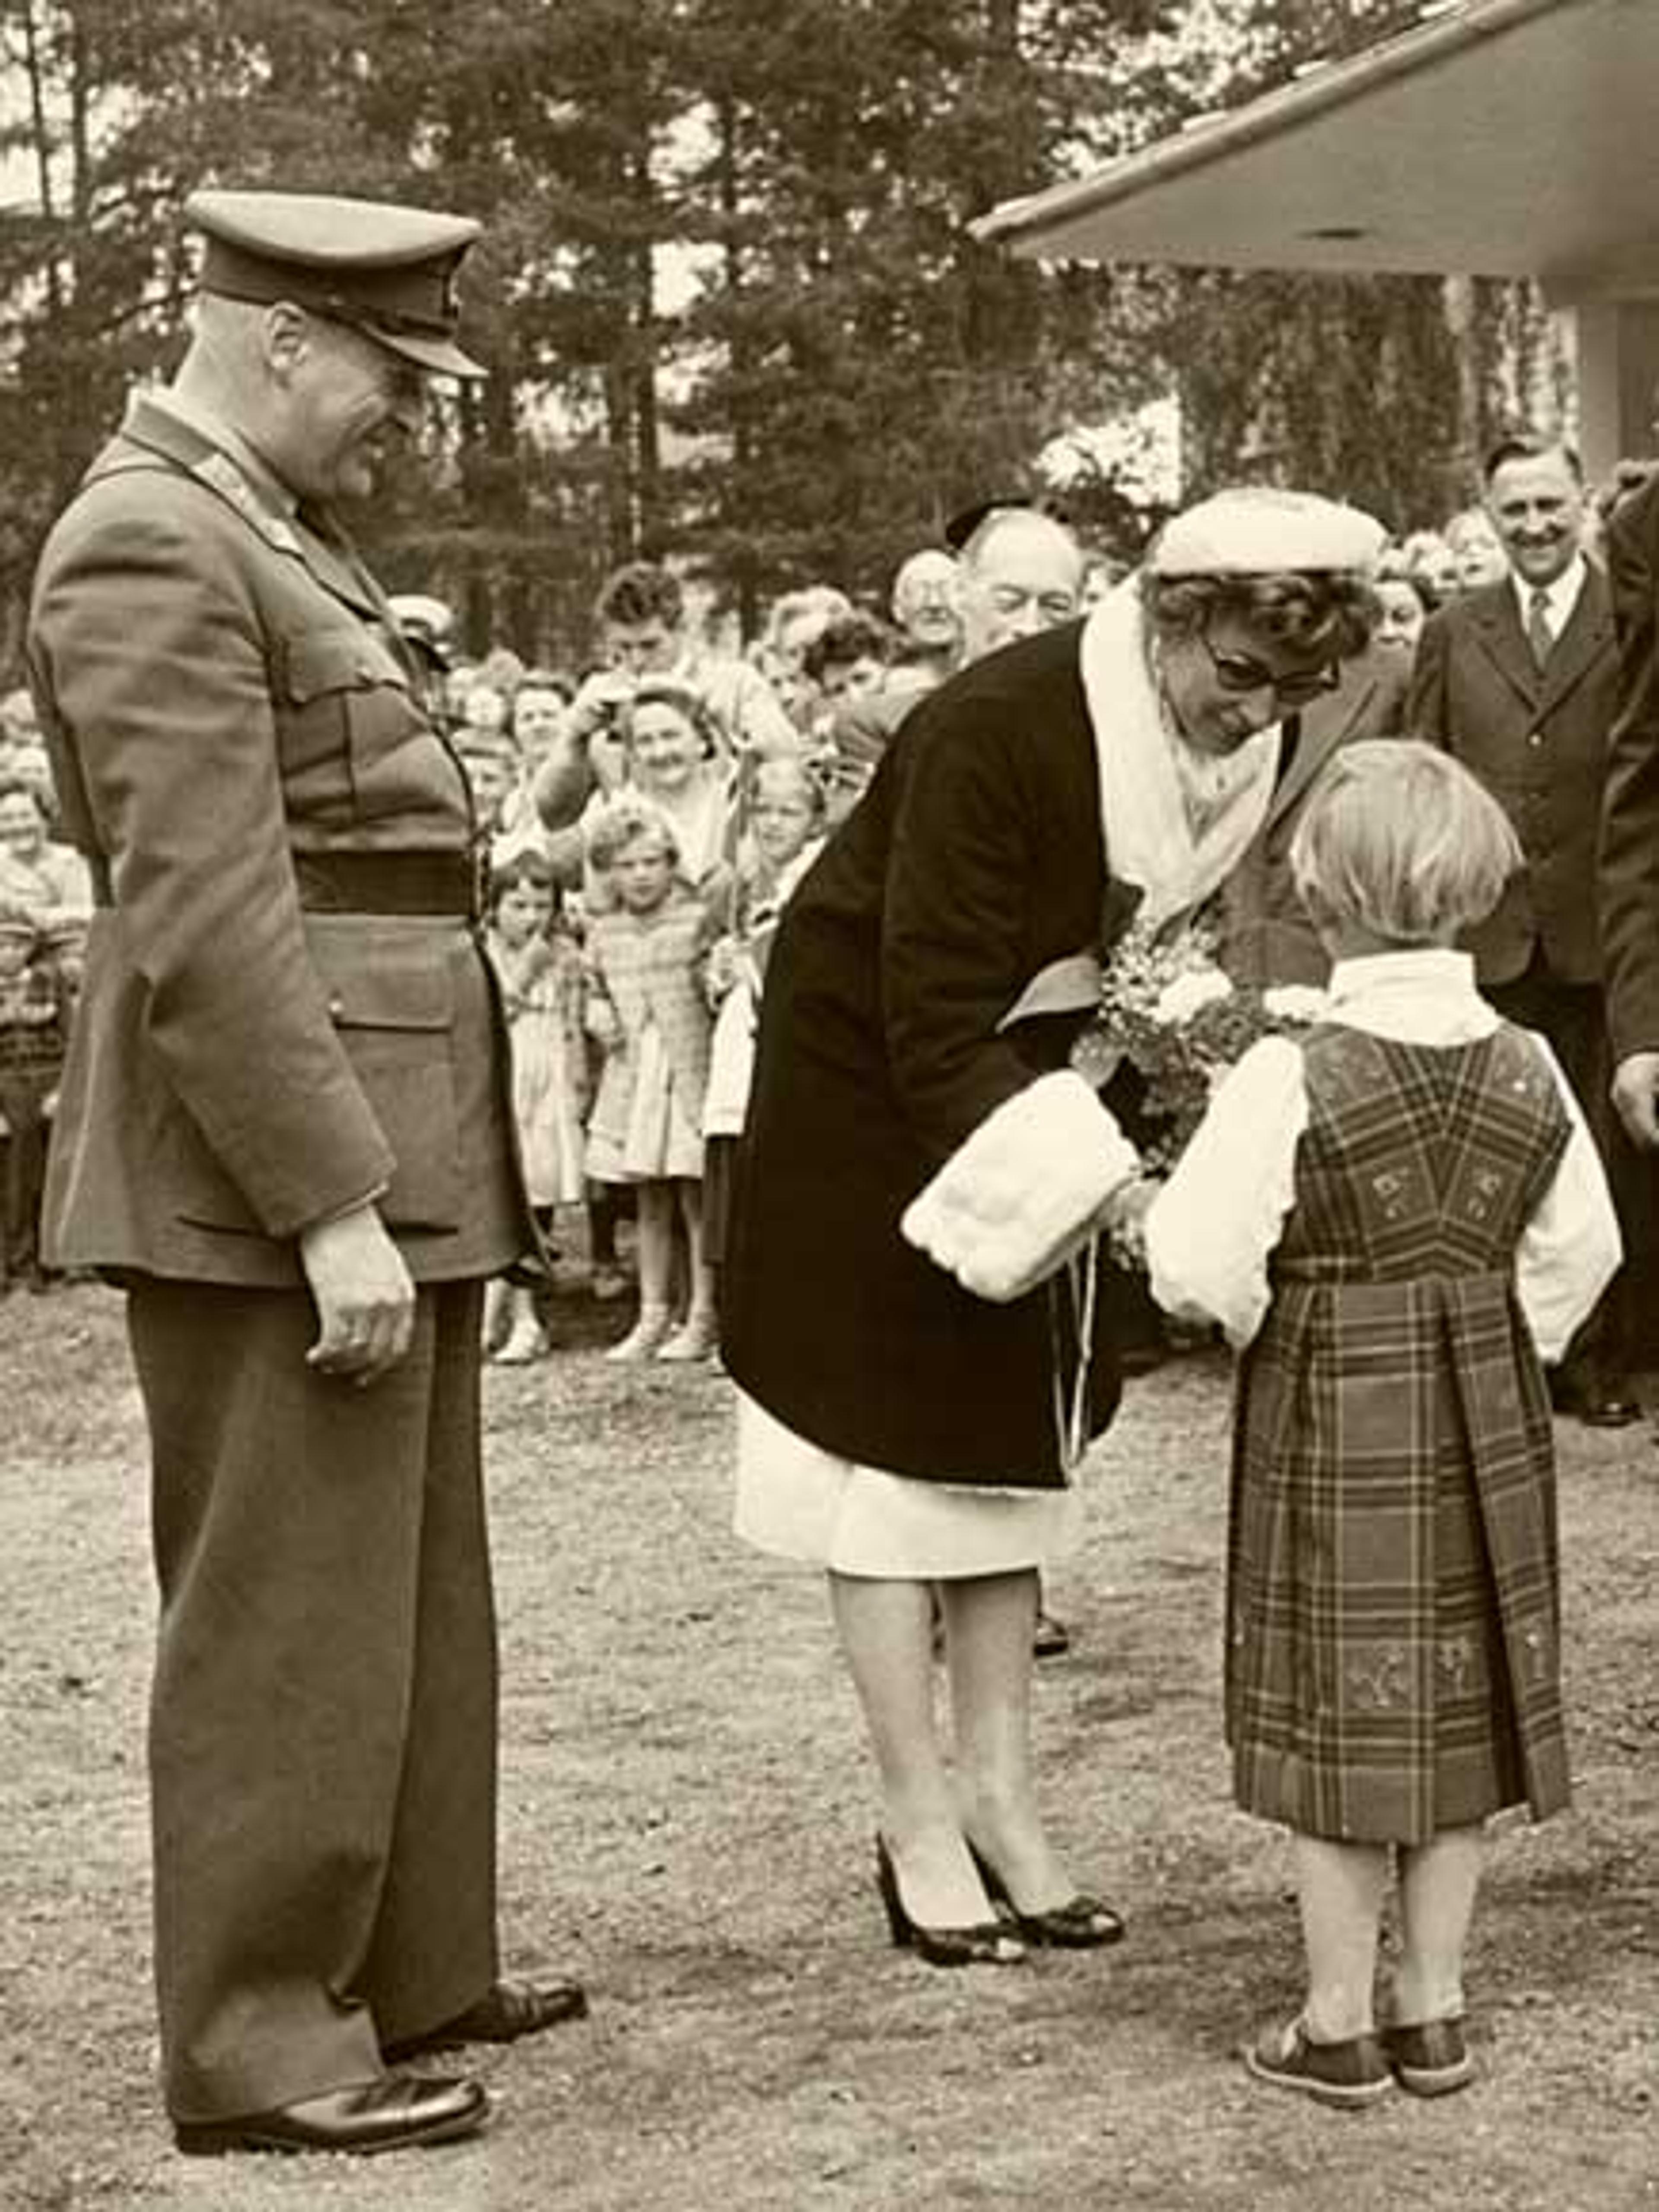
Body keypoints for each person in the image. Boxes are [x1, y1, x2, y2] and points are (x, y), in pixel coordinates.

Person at [25, 188, 584, 2159]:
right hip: (285, 1159)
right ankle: (263, 2034)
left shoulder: (265, 526)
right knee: (287, 1603)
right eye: (385, 377)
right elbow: (206, 910)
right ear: (277, 340)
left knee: (409, 1585)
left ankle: (413, 1959)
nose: (403, 421)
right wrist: (327, 1198)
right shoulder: (152, 540)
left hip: (384, 1118)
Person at [722, 487, 1386, 1965]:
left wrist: (1156, 1105)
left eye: (1295, 689)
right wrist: (1118, 1193)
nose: (1260, 712)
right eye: (1240, 676)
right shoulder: (993, 726)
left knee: (1009, 1459)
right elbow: (931, 1002)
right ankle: (916, 1823)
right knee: (893, 1463)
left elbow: (1154, 950)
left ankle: (1009, 1808)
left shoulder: (1239, 721)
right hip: (875, 1098)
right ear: (1167, 617)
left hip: (1040, 1088)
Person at [1145, 741, 1619, 2106]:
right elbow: (1579, 1252)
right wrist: (1490, 1335)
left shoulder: (1288, 1070)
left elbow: (1192, 1257)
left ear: (1322, 894)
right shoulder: (1527, 1058)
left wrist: (1270, 1316)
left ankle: (1335, 2016)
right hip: (1482, 1398)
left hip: (1327, 1396)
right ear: (1470, 893)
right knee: (1456, 1702)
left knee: (1344, 1716)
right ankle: (1435, 2005)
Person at [1409, 432, 1642, 1426]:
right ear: (1489, 515)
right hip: (1489, 940)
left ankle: (1593, 1358)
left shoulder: (1625, 611)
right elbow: (1420, 779)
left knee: (1599, 1154)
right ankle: (1500, 1361)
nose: (1535, 527)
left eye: (1550, 506)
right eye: (1515, 511)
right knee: (1494, 1155)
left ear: (1581, 505)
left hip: (1599, 935)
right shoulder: (1454, 630)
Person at [583, 796, 718, 1361]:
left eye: (650, 862)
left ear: (670, 863)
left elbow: (714, 985)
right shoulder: (606, 931)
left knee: (698, 1199)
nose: (640, 875)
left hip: (687, 1072)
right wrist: (598, 1011)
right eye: (627, 865)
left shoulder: (695, 919)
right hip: (637, 1076)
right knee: (649, 1202)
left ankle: (705, 1315)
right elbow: (593, 986)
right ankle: (653, 1314)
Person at [482, 850, 588, 1363]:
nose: (531, 916)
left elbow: (573, 1023)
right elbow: (496, 1009)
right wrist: (525, 968)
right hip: (502, 1078)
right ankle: (495, 1310)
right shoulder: (485, 952)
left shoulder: (565, 955)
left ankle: (526, 1315)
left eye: (541, 905)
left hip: (546, 1084)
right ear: (495, 905)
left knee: (536, 1197)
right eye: (518, 904)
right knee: (498, 1194)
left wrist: (578, 1081)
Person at [0, 906, 70, 1294]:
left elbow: (73, 1038)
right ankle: (15, 1260)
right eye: (1, 944)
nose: (8, 953)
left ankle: (51, 1261)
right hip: (5, 1087)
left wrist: (61, 1092)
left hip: (47, 1085)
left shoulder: (48, 982)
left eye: (17, 944)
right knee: (11, 1179)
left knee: (47, 1175)